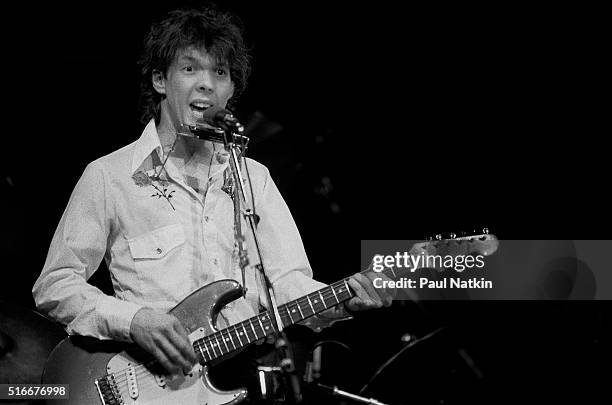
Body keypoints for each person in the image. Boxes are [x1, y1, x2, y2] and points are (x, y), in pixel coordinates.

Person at [32, 5, 393, 381]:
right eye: (190, 69)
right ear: (160, 80)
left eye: (220, 72)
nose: (207, 83)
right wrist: (135, 320)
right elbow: (55, 285)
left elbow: (287, 285)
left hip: (244, 377)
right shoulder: (110, 176)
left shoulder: (254, 178)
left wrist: (345, 298)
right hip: (148, 382)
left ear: (231, 89)